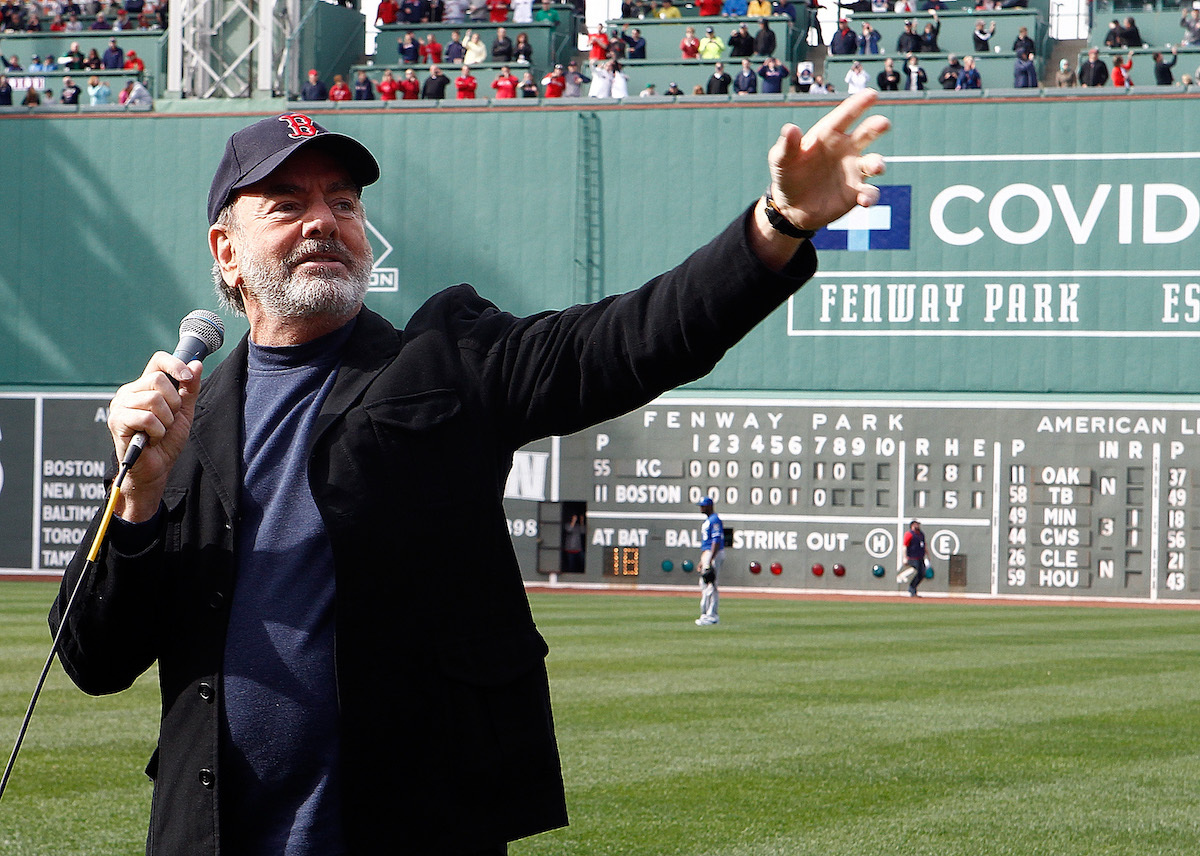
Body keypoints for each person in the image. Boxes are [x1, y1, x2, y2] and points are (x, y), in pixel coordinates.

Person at [47, 94, 890, 854]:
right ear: (226, 252)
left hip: (417, 828)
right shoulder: (181, 425)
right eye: (288, 204)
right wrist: (139, 497)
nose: (325, 221)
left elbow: (632, 339)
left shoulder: (447, 358)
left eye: (344, 202)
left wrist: (777, 224)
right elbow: (92, 658)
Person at [695, 498, 724, 625]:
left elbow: (716, 540)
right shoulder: (709, 520)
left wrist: (711, 558)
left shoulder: (715, 519)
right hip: (708, 553)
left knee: (710, 584)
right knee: (705, 584)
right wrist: (703, 561)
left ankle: (710, 615)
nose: (701, 508)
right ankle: (707, 614)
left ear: (710, 506)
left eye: (703, 506)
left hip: (713, 554)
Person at [900, 519, 927, 596]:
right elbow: (905, 546)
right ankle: (911, 588)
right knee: (917, 571)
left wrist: (928, 555)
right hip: (912, 557)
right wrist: (904, 557)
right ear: (912, 525)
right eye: (916, 524)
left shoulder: (921, 534)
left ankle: (913, 588)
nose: (918, 526)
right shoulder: (909, 534)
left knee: (922, 573)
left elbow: (924, 545)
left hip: (920, 557)